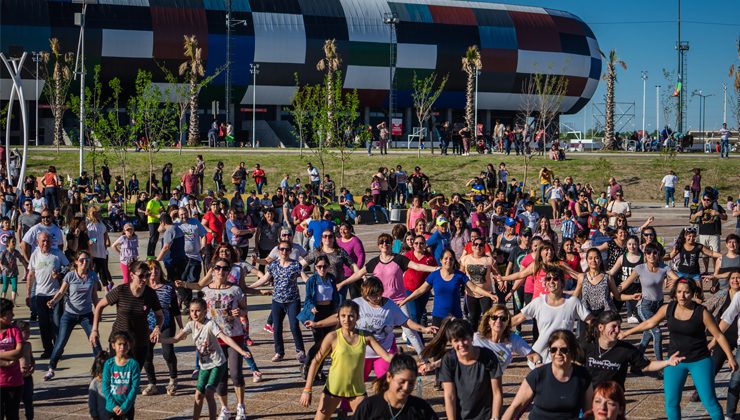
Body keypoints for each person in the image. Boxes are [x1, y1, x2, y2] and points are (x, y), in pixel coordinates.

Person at [620, 279, 736, 420]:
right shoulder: (668, 308)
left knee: (709, 401)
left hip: (700, 360)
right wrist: (626, 333)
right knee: (671, 402)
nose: (682, 296)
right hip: (674, 361)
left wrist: (730, 358)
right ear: (674, 293)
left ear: (693, 293)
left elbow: (718, 335)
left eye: (687, 292)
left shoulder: (701, 312)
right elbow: (650, 322)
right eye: (679, 292)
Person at [159, 298, 253, 420]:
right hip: (204, 365)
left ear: (205, 311)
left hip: (218, 364)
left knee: (209, 392)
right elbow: (176, 339)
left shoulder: (210, 324)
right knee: (198, 395)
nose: (194, 314)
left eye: (198, 311)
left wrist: (241, 351)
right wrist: (159, 340)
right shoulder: (191, 325)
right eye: (192, 311)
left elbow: (225, 338)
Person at [299, 300, 393, 419]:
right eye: (343, 316)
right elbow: (315, 362)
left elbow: (386, 356)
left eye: (351, 316)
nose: (347, 320)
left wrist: (412, 362)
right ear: (338, 317)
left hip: (357, 391)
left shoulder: (366, 336)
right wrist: (307, 389)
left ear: (357, 317)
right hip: (333, 390)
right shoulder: (332, 337)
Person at [421, 317, 502, 420]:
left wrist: (495, 417)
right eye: (456, 341)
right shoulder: (449, 360)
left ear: (472, 338)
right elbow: (450, 396)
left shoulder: (488, 357)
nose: (461, 344)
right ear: (451, 342)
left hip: (485, 416)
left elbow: (497, 392)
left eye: (464, 339)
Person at [503, 329, 593, 420]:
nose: (558, 353)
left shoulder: (583, 376)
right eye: (553, 350)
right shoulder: (538, 375)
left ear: (572, 351)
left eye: (564, 350)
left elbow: (588, 413)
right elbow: (515, 406)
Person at [90, 261, 164, 370]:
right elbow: (99, 306)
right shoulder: (121, 290)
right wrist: (95, 329)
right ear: (132, 275)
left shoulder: (150, 293)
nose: (144, 279)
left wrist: (157, 327)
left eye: (147, 275)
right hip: (120, 341)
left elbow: (160, 315)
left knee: (134, 374)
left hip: (140, 341)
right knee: (117, 374)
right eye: (141, 276)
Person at [583, 311, 684, 388]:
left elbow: (647, 366)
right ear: (601, 327)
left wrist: (667, 362)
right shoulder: (588, 346)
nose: (617, 330)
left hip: (614, 400)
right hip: (589, 397)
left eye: (619, 326)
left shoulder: (626, 349)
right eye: (613, 326)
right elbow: (575, 365)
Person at [510, 266, 592, 361]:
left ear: (562, 283)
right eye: (548, 279)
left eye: (555, 278)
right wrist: (494, 329)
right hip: (540, 357)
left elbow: (592, 321)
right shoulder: (538, 302)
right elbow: (517, 319)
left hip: (563, 357)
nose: (551, 281)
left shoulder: (573, 302)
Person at [43, 250, 102, 380]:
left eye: (87, 260)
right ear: (76, 262)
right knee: (60, 343)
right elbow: (61, 292)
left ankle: (101, 370)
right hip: (69, 315)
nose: (84, 262)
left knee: (95, 341)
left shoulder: (92, 276)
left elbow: (94, 296)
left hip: (86, 315)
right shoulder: (70, 276)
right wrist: (53, 301)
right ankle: (51, 369)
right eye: (81, 260)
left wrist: (98, 311)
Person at [473, 305, 542, 417]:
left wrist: (539, 366)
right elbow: (457, 354)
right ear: (488, 320)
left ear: (507, 323)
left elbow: (534, 355)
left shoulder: (512, 339)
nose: (498, 321)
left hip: (494, 389)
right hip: (473, 386)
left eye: (503, 318)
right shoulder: (477, 338)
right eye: (494, 317)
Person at [618, 243, 680, 361]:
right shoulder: (640, 268)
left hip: (658, 306)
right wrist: (613, 290)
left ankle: (636, 362)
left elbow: (679, 279)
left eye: (655, 253)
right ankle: (660, 367)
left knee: (647, 335)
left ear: (658, 255)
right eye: (649, 253)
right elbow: (625, 284)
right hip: (645, 306)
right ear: (645, 255)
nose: (652, 255)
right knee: (657, 333)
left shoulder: (664, 268)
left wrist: (677, 282)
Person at [139, 260, 181, 397]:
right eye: (150, 269)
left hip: (166, 324)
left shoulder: (168, 287)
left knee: (167, 353)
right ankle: (152, 384)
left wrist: (182, 327)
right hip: (146, 327)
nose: (153, 272)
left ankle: (173, 380)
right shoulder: (142, 288)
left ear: (160, 271)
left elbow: (175, 309)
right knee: (147, 356)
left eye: (156, 268)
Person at [352, 353, 439, 420]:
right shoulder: (369, 407)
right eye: (402, 382)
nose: (406, 387)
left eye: (411, 383)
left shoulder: (422, 408)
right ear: (389, 377)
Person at [26, 232, 69, 358]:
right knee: (43, 324)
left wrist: (60, 275)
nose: (45, 243)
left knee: (56, 323)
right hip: (40, 295)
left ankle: (57, 350)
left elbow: (68, 266)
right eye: (43, 241)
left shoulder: (57, 253)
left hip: (55, 295)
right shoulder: (35, 255)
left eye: (48, 241)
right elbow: (31, 274)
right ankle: (48, 350)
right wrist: (29, 294)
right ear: (37, 242)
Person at [102, 331, 140, 420]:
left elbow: (135, 388)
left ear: (129, 345)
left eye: (125, 344)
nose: (122, 347)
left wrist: (125, 407)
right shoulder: (109, 364)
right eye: (119, 344)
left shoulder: (133, 364)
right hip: (111, 408)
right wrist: (113, 406)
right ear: (113, 345)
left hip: (127, 407)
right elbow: (105, 386)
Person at [691, 192, 728, 273]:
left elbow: (725, 217)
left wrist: (718, 213)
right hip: (702, 234)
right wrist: (697, 214)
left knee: (715, 254)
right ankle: (706, 270)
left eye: (708, 200)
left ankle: (716, 271)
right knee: (704, 255)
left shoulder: (717, 207)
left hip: (714, 234)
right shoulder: (699, 207)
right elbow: (691, 219)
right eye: (704, 199)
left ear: (712, 200)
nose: (706, 201)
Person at [0, 298, 23, 420]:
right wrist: (7, 360)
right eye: (9, 313)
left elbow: (19, 352)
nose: (13, 315)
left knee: (13, 415)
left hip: (14, 381)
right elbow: (14, 353)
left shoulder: (15, 330)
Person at [87, 206, 113, 291]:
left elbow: (105, 233)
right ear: (91, 213)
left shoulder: (101, 223)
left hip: (101, 251)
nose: (97, 214)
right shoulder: (88, 224)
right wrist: (93, 240)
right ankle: (98, 286)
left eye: (98, 212)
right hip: (92, 252)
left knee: (101, 270)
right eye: (94, 212)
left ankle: (103, 286)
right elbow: (87, 238)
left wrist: (106, 242)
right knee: (95, 270)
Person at [0, 237, 26, 303]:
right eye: (12, 242)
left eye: (15, 241)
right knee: (5, 287)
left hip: (14, 272)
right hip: (6, 272)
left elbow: (21, 259)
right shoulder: (4, 252)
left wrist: (26, 267)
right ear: (8, 243)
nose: (14, 243)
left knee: (14, 287)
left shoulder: (16, 252)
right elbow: (0, 262)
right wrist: (2, 267)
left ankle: (12, 301)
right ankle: (2, 301)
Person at [145, 190, 165, 258]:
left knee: (156, 239)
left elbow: (158, 211)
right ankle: (149, 255)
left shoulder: (158, 202)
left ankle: (152, 254)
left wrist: (160, 211)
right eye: (160, 194)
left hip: (157, 222)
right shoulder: (151, 202)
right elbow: (146, 213)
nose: (161, 195)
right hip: (152, 222)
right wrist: (156, 216)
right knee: (152, 238)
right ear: (156, 195)